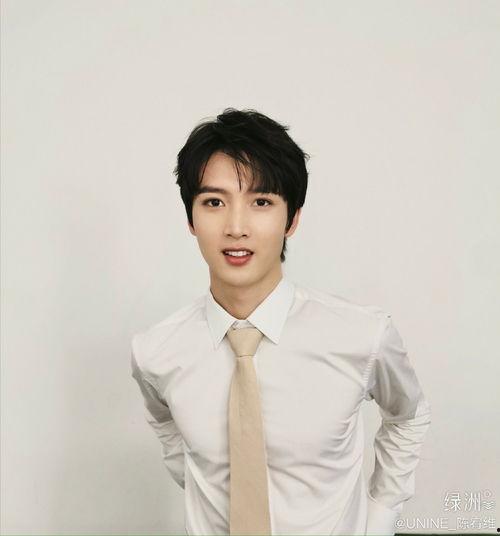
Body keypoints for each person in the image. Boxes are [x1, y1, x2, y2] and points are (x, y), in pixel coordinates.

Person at [130, 108, 432, 535]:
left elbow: (408, 416)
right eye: (214, 202)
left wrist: (380, 520)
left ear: (292, 219)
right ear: (190, 219)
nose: (236, 227)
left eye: (261, 202)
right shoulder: (156, 352)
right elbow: (167, 425)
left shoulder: (362, 336)